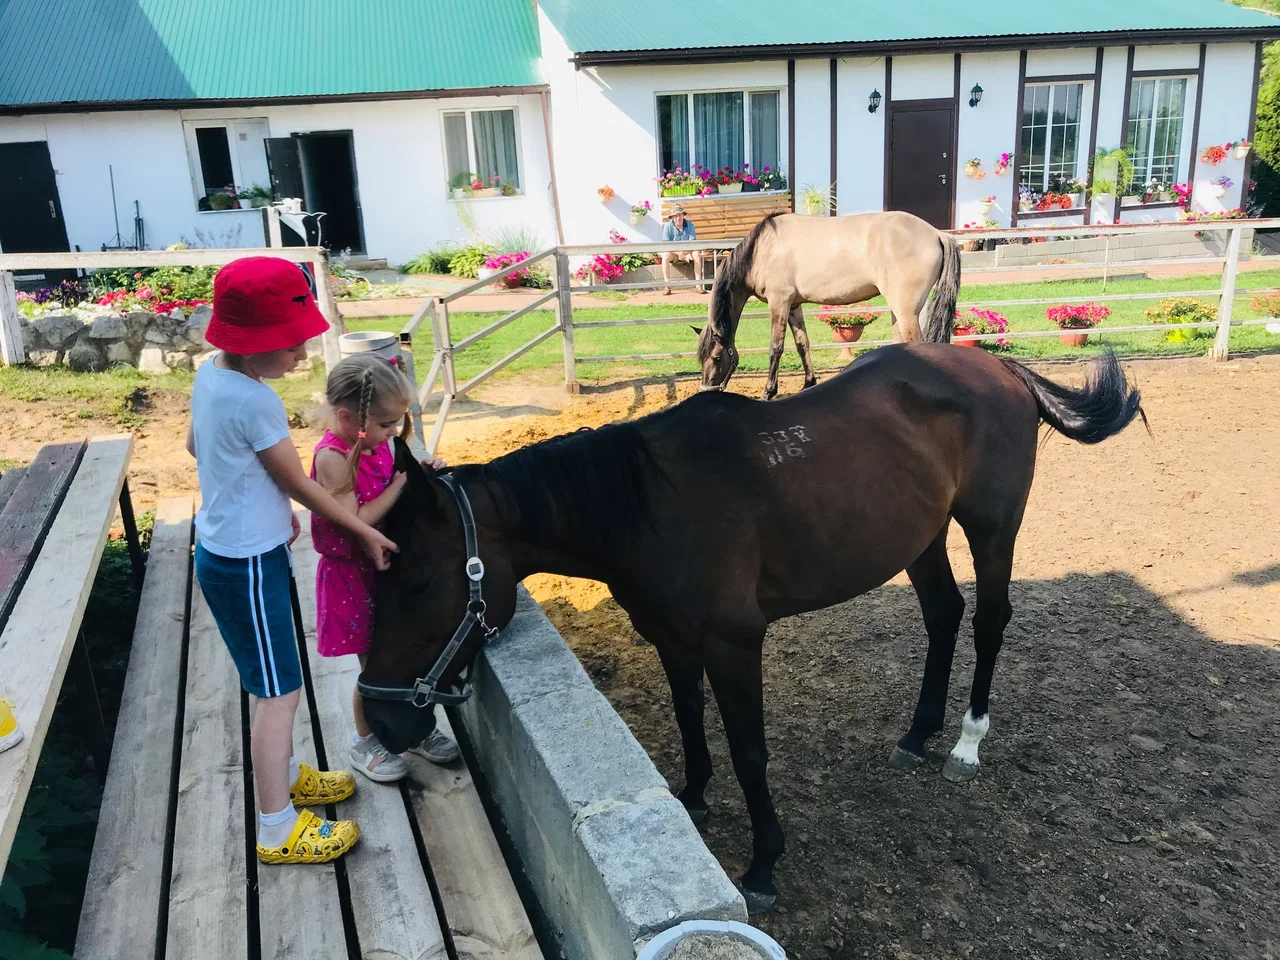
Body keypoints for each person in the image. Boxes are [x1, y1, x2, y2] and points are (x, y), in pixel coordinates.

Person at [187, 256, 398, 865]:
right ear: (255, 346)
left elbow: (194, 444)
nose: (303, 357)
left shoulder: (212, 377)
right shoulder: (255, 403)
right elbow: (303, 488)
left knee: (274, 683)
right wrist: (365, 530)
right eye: (293, 344)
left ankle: (283, 776)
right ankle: (278, 825)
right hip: (247, 565)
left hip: (232, 552)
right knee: (278, 693)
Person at [310, 353, 460, 782]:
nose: (393, 432)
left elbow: (398, 474)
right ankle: (365, 741)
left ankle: (415, 730)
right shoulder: (333, 458)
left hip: (386, 569)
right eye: (385, 423)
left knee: (404, 653)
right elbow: (359, 519)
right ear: (345, 416)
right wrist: (400, 483)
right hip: (351, 578)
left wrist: (419, 470)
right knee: (376, 665)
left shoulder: (378, 443)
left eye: (396, 423)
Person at [661, 204, 706, 295]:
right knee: (665, 255)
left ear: (683, 215)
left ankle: (698, 285)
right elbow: (666, 244)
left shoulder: (690, 225)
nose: (678, 218)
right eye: (676, 216)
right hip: (674, 253)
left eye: (680, 215)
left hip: (688, 252)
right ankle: (667, 285)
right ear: (672, 217)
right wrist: (678, 253)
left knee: (696, 254)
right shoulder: (667, 227)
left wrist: (686, 253)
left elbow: (692, 243)